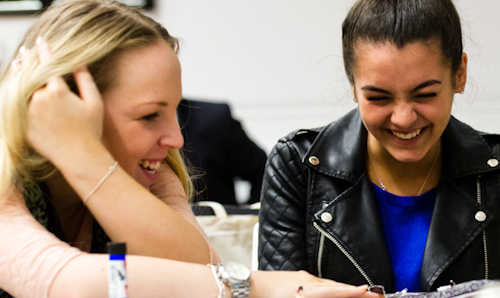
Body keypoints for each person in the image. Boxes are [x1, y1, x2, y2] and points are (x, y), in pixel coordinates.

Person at [0, 1, 379, 297]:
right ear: (65, 106)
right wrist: (260, 287)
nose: (176, 140)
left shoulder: (147, 172)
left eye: (173, 112)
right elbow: (70, 286)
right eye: (149, 115)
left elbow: (200, 272)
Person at [259, 0, 500, 294]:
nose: (403, 118)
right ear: (352, 83)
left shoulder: (495, 171)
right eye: (379, 98)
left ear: (459, 75)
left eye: (425, 95)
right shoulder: (298, 164)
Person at [178, 98, 266, 205]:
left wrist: (248, 215)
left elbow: (263, 169)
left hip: (216, 218)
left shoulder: (212, 118)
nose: (174, 140)